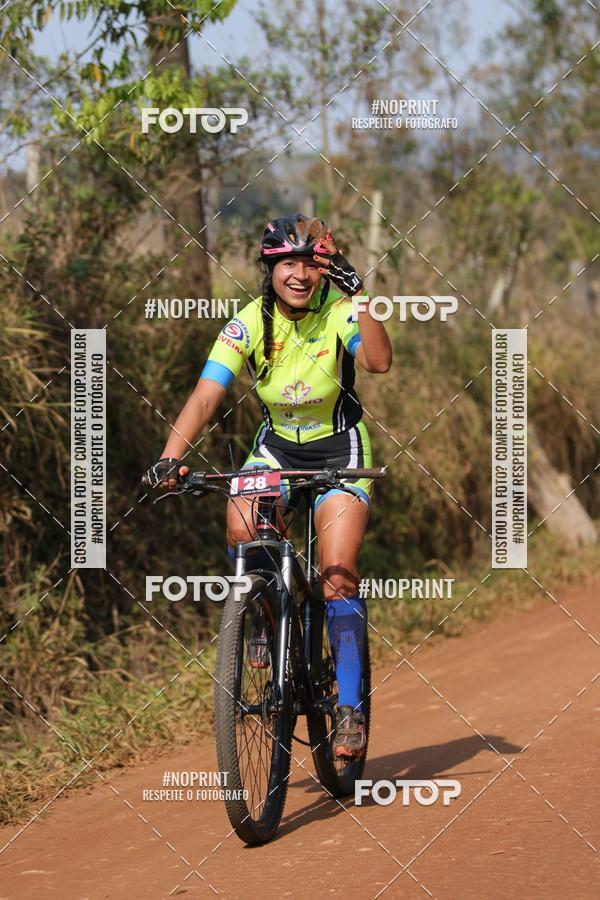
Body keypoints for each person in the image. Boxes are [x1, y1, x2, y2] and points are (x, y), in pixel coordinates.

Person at [146, 213, 392, 759]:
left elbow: (378, 363)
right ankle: (265, 607)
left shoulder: (339, 311)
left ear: (325, 269)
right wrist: (170, 458)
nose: (299, 274)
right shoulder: (248, 322)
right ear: (269, 268)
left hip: (340, 448)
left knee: (337, 575)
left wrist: (360, 295)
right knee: (242, 522)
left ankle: (349, 707)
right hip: (278, 447)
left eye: (310, 263)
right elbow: (206, 395)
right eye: (287, 264)